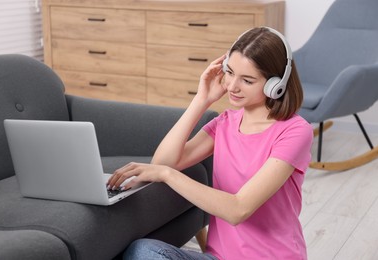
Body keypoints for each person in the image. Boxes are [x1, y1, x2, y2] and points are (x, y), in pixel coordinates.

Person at [107, 27, 313, 260]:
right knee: (143, 252)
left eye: (247, 80)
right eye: (230, 72)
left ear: (275, 85)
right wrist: (201, 99)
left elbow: (238, 209)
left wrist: (167, 174)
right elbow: (164, 161)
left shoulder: (295, 132)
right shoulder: (225, 122)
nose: (232, 86)